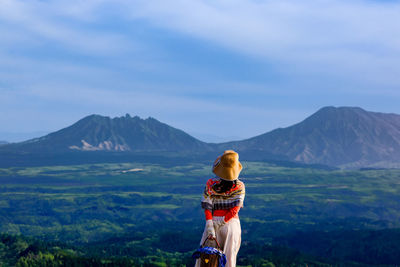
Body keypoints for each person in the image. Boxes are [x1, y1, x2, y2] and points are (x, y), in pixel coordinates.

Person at [195, 150, 245, 267]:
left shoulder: (211, 183)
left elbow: (207, 206)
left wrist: (210, 225)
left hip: (212, 223)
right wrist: (223, 222)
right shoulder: (239, 186)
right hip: (230, 225)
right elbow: (234, 210)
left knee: (206, 259)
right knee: (229, 260)